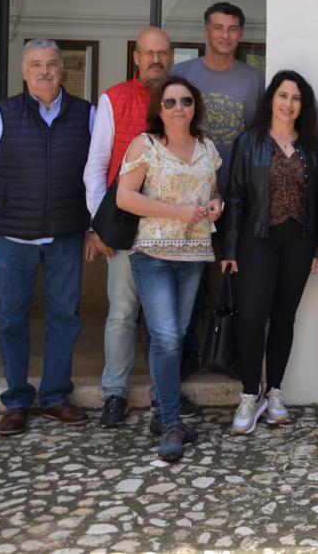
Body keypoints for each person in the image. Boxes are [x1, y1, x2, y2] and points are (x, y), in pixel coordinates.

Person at [0, 39, 95, 436]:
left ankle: (54, 396)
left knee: (65, 318)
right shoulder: (3, 114)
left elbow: (97, 177)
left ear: (62, 69)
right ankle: (17, 400)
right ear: (24, 71)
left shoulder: (85, 115)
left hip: (66, 235)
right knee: (11, 320)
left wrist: (93, 228)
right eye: (36, 64)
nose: (44, 71)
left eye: (52, 64)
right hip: (10, 237)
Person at [116, 75, 222, 462]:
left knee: (177, 333)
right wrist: (175, 211)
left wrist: (216, 206)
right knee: (165, 337)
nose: (179, 108)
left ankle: (162, 414)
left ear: (196, 107)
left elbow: (212, 192)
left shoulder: (207, 148)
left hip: (193, 254)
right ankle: (172, 421)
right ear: (158, 109)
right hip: (154, 254)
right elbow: (125, 197)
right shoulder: (145, 145)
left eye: (186, 102)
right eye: (171, 102)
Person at [84, 27, 186, 428]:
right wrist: (99, 226)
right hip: (125, 225)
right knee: (123, 312)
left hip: (171, 230)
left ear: (171, 56)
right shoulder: (114, 98)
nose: (156, 60)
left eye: (162, 53)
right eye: (148, 53)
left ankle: (166, 397)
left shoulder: (182, 98)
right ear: (136, 58)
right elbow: (95, 166)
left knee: (166, 321)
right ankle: (114, 393)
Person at [220, 71, 318, 435]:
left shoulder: (312, 147)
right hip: (256, 240)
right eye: (283, 96)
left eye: (296, 98)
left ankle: (275, 392)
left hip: (299, 242)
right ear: (271, 100)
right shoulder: (249, 142)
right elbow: (235, 197)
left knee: (284, 319)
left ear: (303, 105)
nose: (288, 104)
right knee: (251, 318)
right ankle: (250, 394)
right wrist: (230, 247)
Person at [170, 1, 263, 379]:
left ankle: (228, 355)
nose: (225, 35)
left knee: (233, 279)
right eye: (218, 27)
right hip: (186, 198)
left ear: (241, 34)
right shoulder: (182, 73)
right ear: (206, 31)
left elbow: (257, 138)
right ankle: (186, 355)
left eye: (233, 28)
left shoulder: (253, 80)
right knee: (187, 283)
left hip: (235, 197)